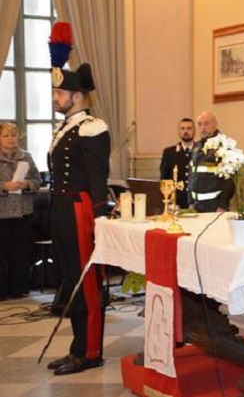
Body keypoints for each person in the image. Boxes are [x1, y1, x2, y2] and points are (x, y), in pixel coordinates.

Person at [44, 21, 111, 376]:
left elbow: (98, 177)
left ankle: (90, 351)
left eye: (60, 94)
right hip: (61, 207)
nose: (56, 99)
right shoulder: (66, 128)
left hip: (82, 209)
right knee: (71, 278)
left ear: (77, 96)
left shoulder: (91, 127)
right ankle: (76, 347)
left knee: (86, 282)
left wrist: (99, 219)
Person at [0, 122, 41, 300]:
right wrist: (4, 186)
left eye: (13, 135)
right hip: (1, 212)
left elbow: (38, 181)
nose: (10, 139)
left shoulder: (26, 156)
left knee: (20, 252)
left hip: (23, 211)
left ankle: (18, 289)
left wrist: (26, 184)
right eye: (6, 136)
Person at [188, 110, 234, 212]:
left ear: (215, 124)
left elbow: (229, 180)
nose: (203, 128)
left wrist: (222, 205)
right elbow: (192, 175)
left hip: (214, 207)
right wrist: (190, 202)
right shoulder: (197, 147)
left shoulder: (224, 146)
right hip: (196, 207)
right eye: (199, 124)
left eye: (206, 123)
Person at [159, 117, 195, 208]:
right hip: (177, 201)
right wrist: (169, 199)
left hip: (196, 202)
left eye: (189, 128)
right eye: (182, 128)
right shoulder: (169, 153)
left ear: (194, 131)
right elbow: (165, 177)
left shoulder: (201, 151)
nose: (186, 131)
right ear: (178, 132)